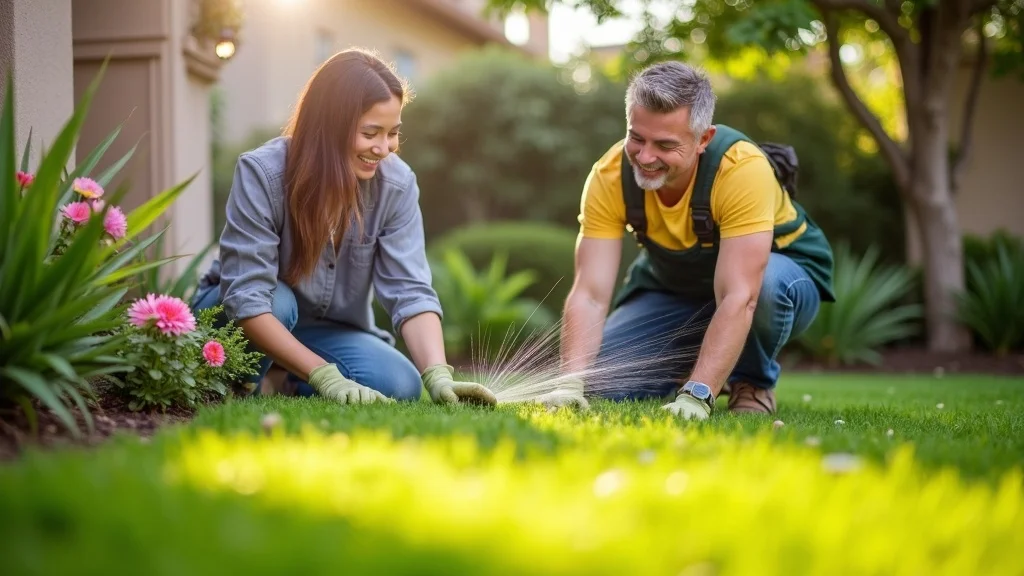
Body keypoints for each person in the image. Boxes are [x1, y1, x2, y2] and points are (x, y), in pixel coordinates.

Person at [192, 48, 496, 407]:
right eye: (371, 133)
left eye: (393, 133)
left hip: (328, 329)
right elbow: (247, 297)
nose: (384, 148)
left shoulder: (396, 185)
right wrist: (327, 376)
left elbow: (410, 290)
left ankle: (286, 375)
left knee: (400, 384)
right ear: (329, 126)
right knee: (279, 302)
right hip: (251, 312)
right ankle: (246, 383)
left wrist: (437, 372)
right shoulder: (263, 173)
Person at [537, 61, 835, 419]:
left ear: (703, 140)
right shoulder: (609, 175)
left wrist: (697, 396)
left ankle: (751, 382)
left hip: (778, 282)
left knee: (767, 286)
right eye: (637, 137)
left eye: (665, 144)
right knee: (605, 381)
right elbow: (590, 294)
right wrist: (571, 381)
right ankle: (697, 365)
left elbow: (741, 296)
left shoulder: (741, 169)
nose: (645, 157)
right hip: (677, 290)